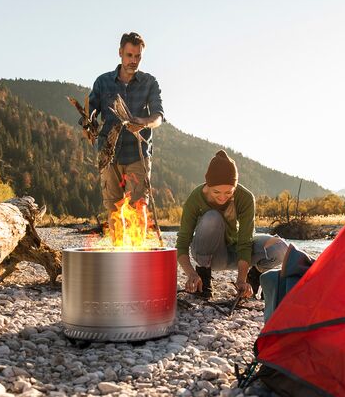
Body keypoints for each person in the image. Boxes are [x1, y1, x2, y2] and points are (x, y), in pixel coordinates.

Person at [176, 151, 289, 299]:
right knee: (212, 217)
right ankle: (204, 276)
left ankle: (254, 276)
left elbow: (245, 241)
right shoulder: (195, 199)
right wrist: (191, 274)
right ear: (208, 185)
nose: (222, 197)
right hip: (212, 256)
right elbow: (182, 243)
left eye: (229, 192)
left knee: (281, 248)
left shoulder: (245, 198)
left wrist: (241, 280)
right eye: (216, 192)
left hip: (237, 251)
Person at [87, 32, 165, 231]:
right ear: (120, 53)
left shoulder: (149, 82)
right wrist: (88, 123)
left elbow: (158, 117)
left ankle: (138, 255)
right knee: (113, 208)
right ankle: (118, 255)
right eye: (130, 55)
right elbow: (91, 110)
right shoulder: (103, 82)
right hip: (108, 154)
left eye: (138, 56)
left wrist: (144, 122)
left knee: (137, 208)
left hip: (137, 156)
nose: (133, 61)